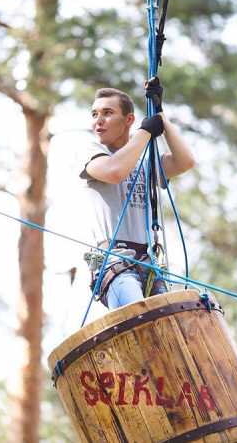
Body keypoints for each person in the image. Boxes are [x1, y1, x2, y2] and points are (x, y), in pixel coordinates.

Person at [78, 78, 195, 309]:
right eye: (94, 114)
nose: (98, 121)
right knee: (138, 314)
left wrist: (161, 116)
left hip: (148, 262)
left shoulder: (145, 161)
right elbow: (115, 171)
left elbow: (185, 161)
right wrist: (145, 132)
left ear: (128, 119)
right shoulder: (90, 152)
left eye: (107, 113)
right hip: (111, 260)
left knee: (168, 324)